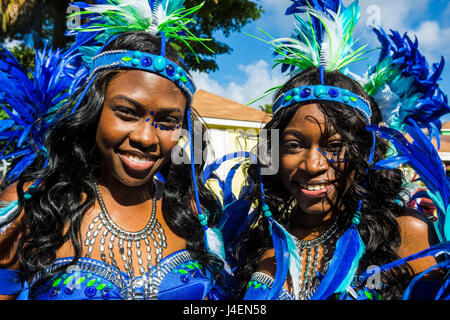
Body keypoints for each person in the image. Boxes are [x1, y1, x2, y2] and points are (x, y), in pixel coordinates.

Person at [0, 1, 227, 300]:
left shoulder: (189, 212)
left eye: (167, 121)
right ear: (94, 110)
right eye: (126, 113)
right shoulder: (34, 203)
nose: (146, 137)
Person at [232, 1, 444, 300]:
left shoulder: (405, 230)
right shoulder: (259, 234)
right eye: (294, 145)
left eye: (334, 146)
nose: (312, 164)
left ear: (364, 153)